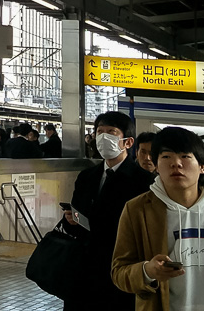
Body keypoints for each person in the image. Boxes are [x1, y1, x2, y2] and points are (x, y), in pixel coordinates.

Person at [111, 125, 204, 310]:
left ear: (202, 167)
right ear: (156, 166)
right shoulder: (137, 210)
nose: (176, 163)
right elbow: (119, 271)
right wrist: (147, 271)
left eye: (185, 156)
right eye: (166, 157)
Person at [66, 111, 156, 311]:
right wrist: (71, 220)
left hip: (119, 266)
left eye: (111, 132)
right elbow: (77, 216)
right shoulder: (86, 177)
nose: (103, 137)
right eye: (100, 132)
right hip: (84, 267)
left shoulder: (144, 182)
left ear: (128, 142)